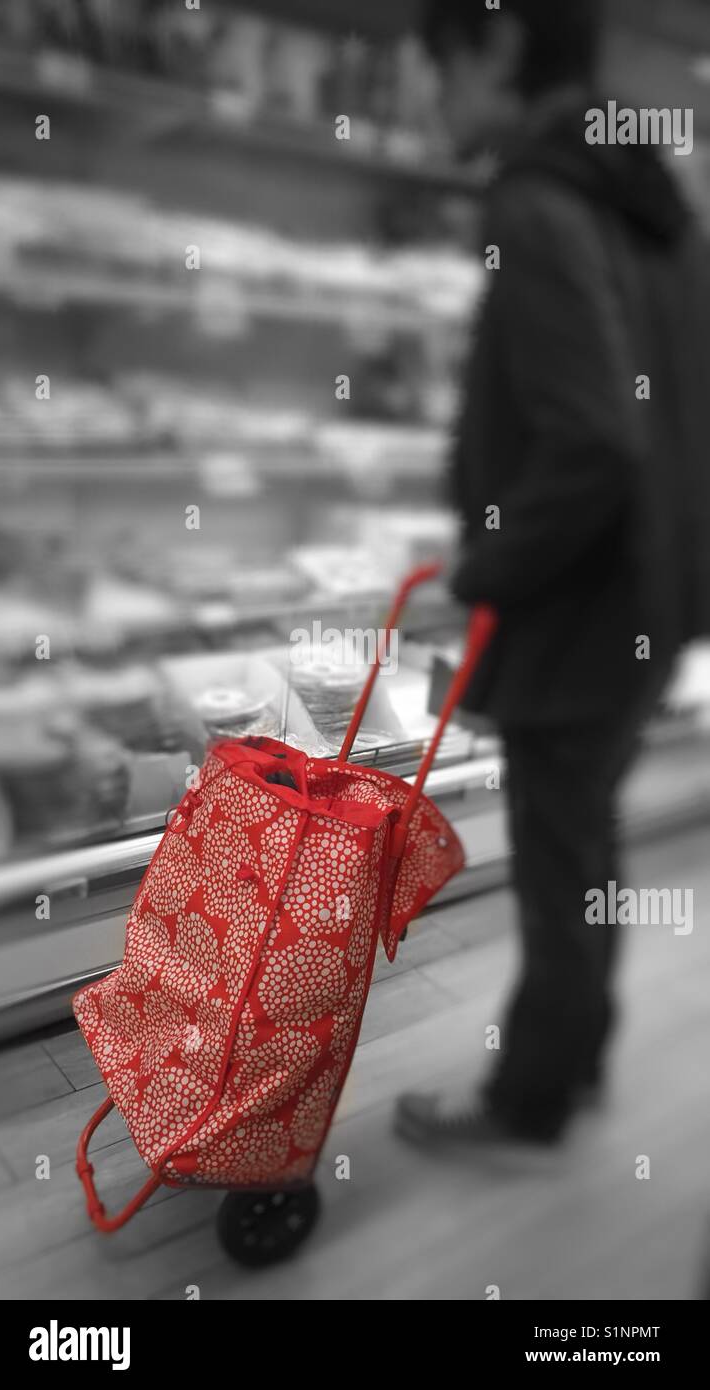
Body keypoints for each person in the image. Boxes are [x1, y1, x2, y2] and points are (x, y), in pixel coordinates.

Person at [396, 0, 710, 1147]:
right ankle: (566, 1066)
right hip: (648, 597)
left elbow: (591, 436)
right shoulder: (648, 194)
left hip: (579, 610)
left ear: (494, 46)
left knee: (558, 860)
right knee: (583, 850)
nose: (431, 95)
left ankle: (528, 1098)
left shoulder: (536, 199)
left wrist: (484, 562)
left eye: (437, 65)